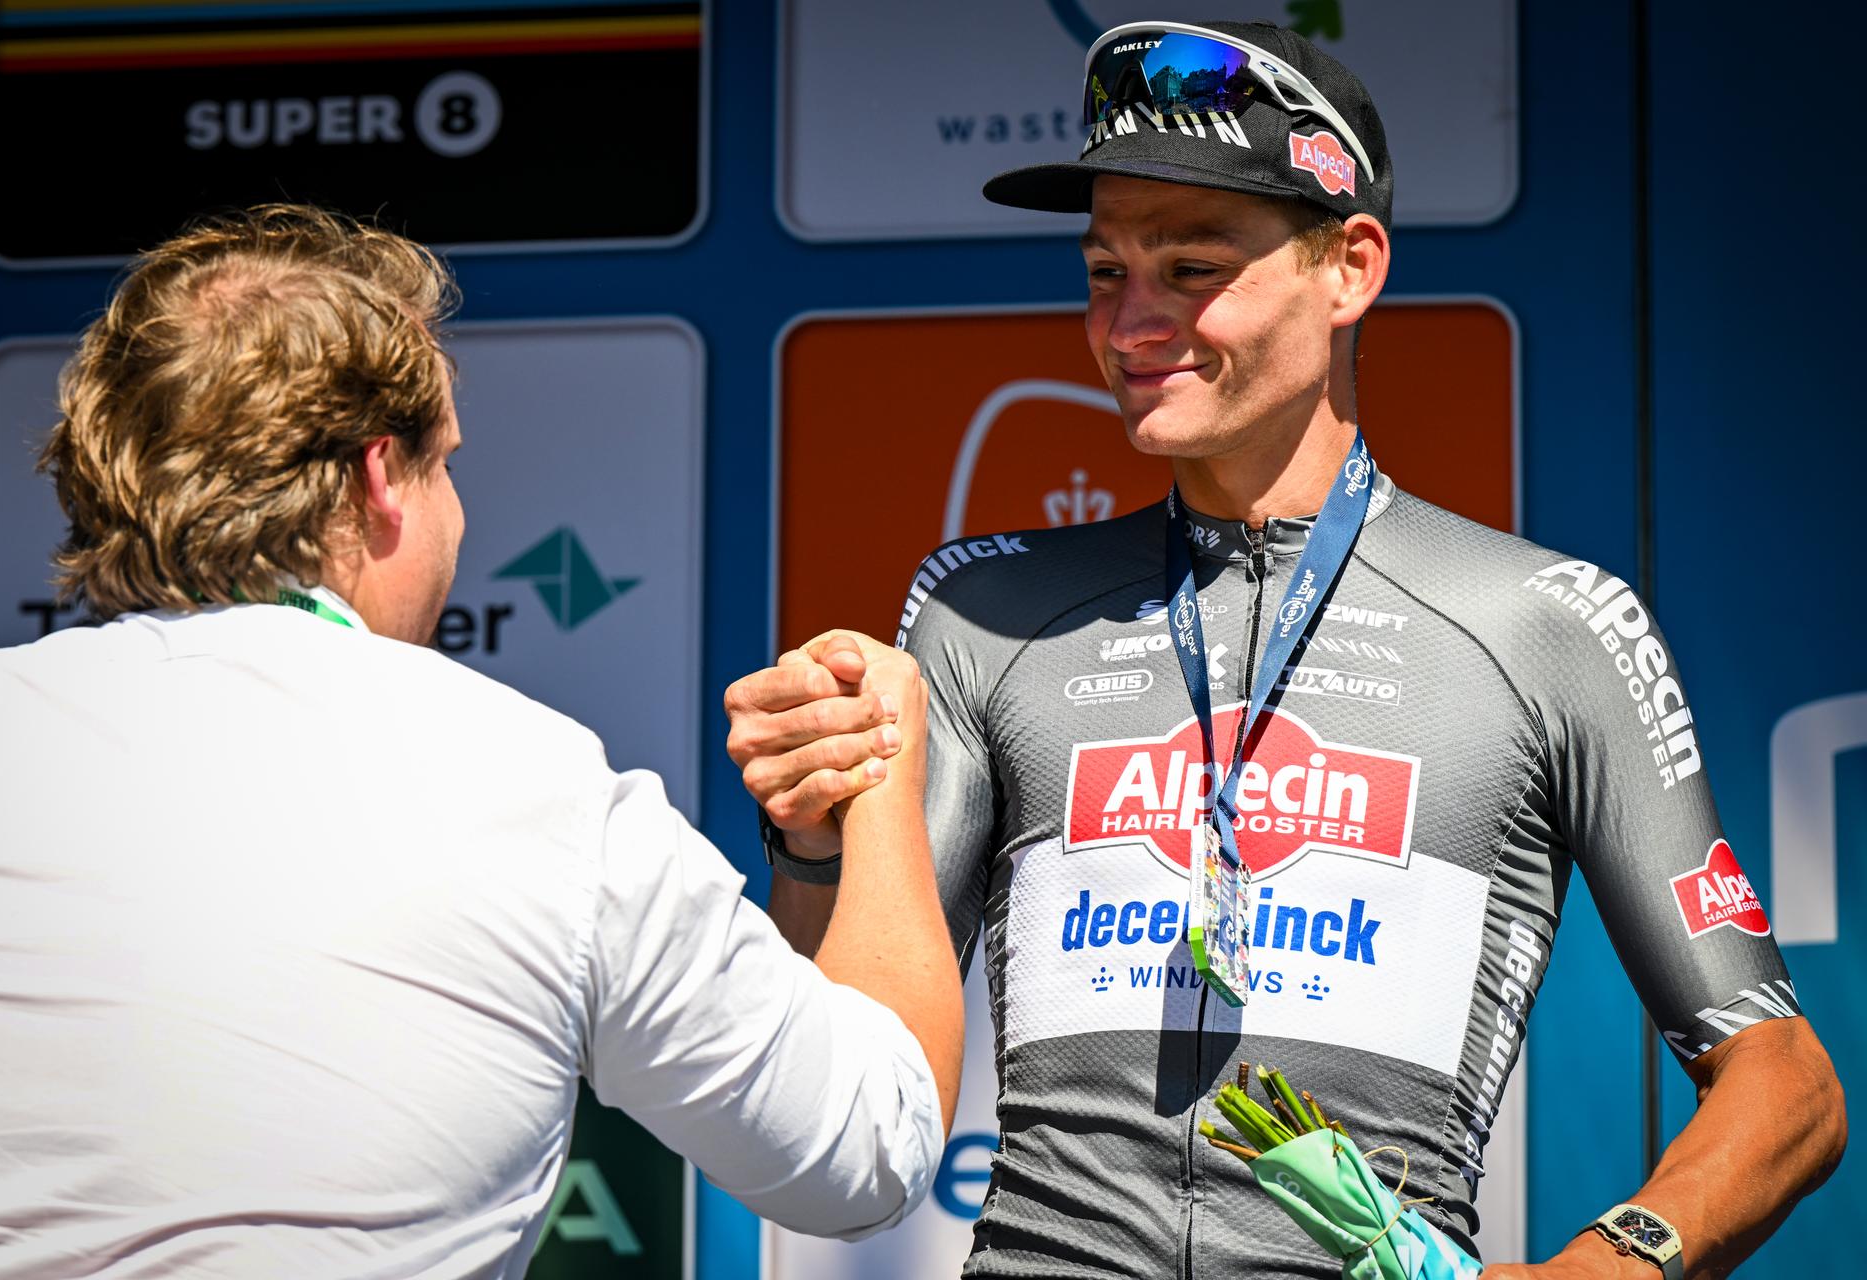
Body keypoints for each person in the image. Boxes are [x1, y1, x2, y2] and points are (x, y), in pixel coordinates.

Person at [726, 19, 1844, 1279]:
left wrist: (1612, 1262)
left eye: (1192, 268)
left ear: (1350, 267)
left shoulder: (1545, 624)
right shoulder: (982, 612)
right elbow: (846, 1083)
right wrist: (811, 841)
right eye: (1104, 271)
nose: (1130, 323)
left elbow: (1787, 1081)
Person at [0, 205, 962, 1278]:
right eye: (447, 466)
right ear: (381, 477)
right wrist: (879, 758)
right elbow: (869, 1149)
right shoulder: (537, 789)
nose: (461, 516)